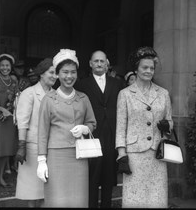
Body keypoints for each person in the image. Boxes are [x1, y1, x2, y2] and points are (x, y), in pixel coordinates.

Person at [36, 49, 96, 207]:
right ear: (57, 74)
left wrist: (85, 128)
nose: (69, 76)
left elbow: (92, 123)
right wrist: (42, 160)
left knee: (78, 199)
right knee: (57, 199)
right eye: (65, 72)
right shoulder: (48, 99)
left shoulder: (83, 98)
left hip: (79, 156)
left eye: (73, 72)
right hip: (55, 156)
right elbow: (42, 132)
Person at [115, 46, 173, 208]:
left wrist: (167, 125)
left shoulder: (163, 93)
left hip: (157, 151)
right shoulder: (125, 94)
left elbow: (170, 120)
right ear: (136, 69)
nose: (148, 71)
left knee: (157, 195)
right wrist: (121, 153)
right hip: (134, 153)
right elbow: (121, 125)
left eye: (151, 68)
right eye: (145, 67)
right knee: (135, 196)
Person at [75, 50, 124, 208]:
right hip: (91, 133)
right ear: (90, 63)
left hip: (111, 132)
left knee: (109, 174)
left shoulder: (117, 83)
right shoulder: (82, 84)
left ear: (107, 63)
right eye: (96, 61)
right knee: (92, 175)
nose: (99, 64)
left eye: (102, 61)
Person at [15, 58, 57, 207]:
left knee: (46, 193)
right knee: (32, 193)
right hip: (32, 148)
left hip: (52, 148)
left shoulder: (56, 94)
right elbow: (23, 121)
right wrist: (22, 145)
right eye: (51, 72)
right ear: (41, 74)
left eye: (56, 73)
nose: (55, 76)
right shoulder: (29, 93)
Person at [0, 53, 18, 188]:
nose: (5, 68)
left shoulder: (14, 80)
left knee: (6, 151)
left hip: (9, 119)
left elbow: (17, 98)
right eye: (2, 65)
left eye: (7, 65)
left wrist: (11, 110)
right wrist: (1, 109)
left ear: (11, 67)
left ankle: (0, 176)